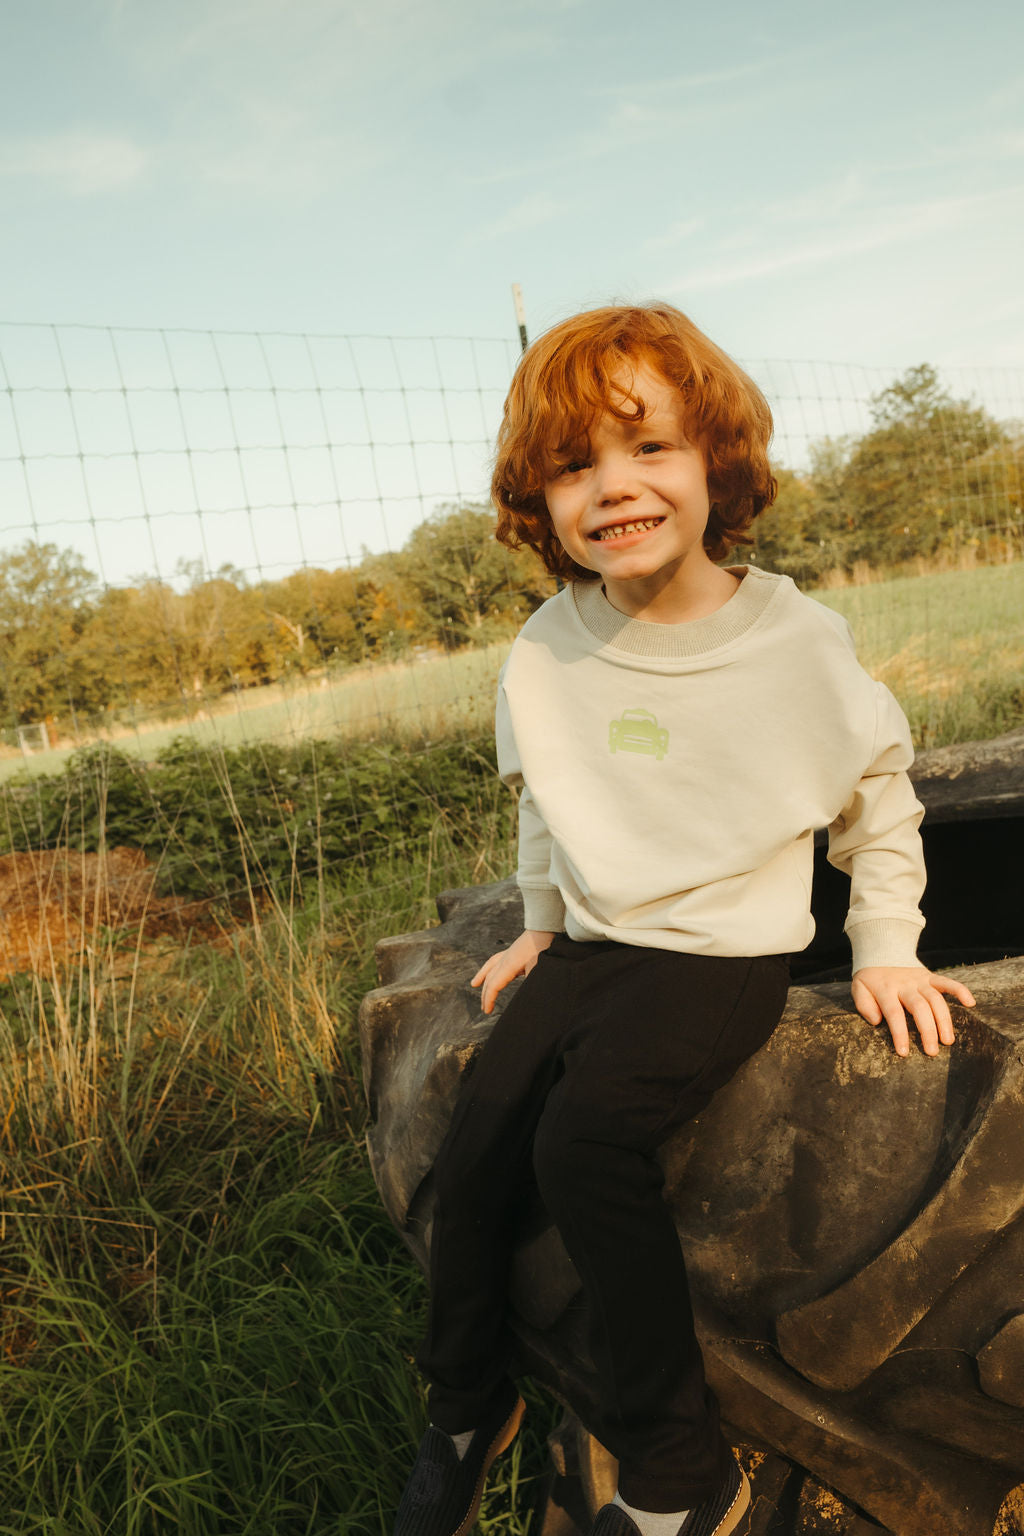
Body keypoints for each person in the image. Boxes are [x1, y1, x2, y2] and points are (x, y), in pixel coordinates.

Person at [392, 304, 976, 1536]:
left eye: (648, 448)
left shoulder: (792, 642)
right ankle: (465, 1400)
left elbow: (879, 802)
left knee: (583, 1148)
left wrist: (885, 949)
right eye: (572, 467)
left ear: (717, 460)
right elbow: (552, 798)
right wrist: (542, 922)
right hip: (597, 945)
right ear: (535, 501)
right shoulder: (549, 647)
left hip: (717, 954)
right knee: (485, 1135)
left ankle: (678, 1463)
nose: (614, 487)